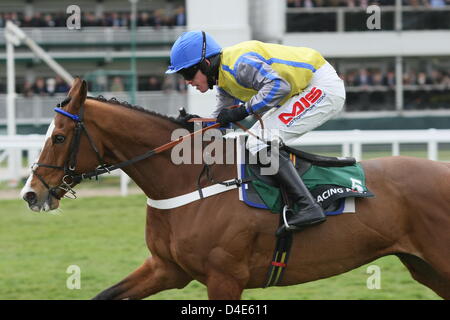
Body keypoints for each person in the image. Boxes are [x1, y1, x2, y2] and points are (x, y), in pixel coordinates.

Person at [166, 31, 345, 233]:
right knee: (256, 139)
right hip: (304, 89)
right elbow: (221, 123)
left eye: (188, 74)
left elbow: (279, 86)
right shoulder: (224, 82)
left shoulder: (239, 64)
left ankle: (308, 206)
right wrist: (192, 125)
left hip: (321, 86)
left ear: (206, 64)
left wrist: (242, 110)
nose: (187, 81)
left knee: (259, 140)